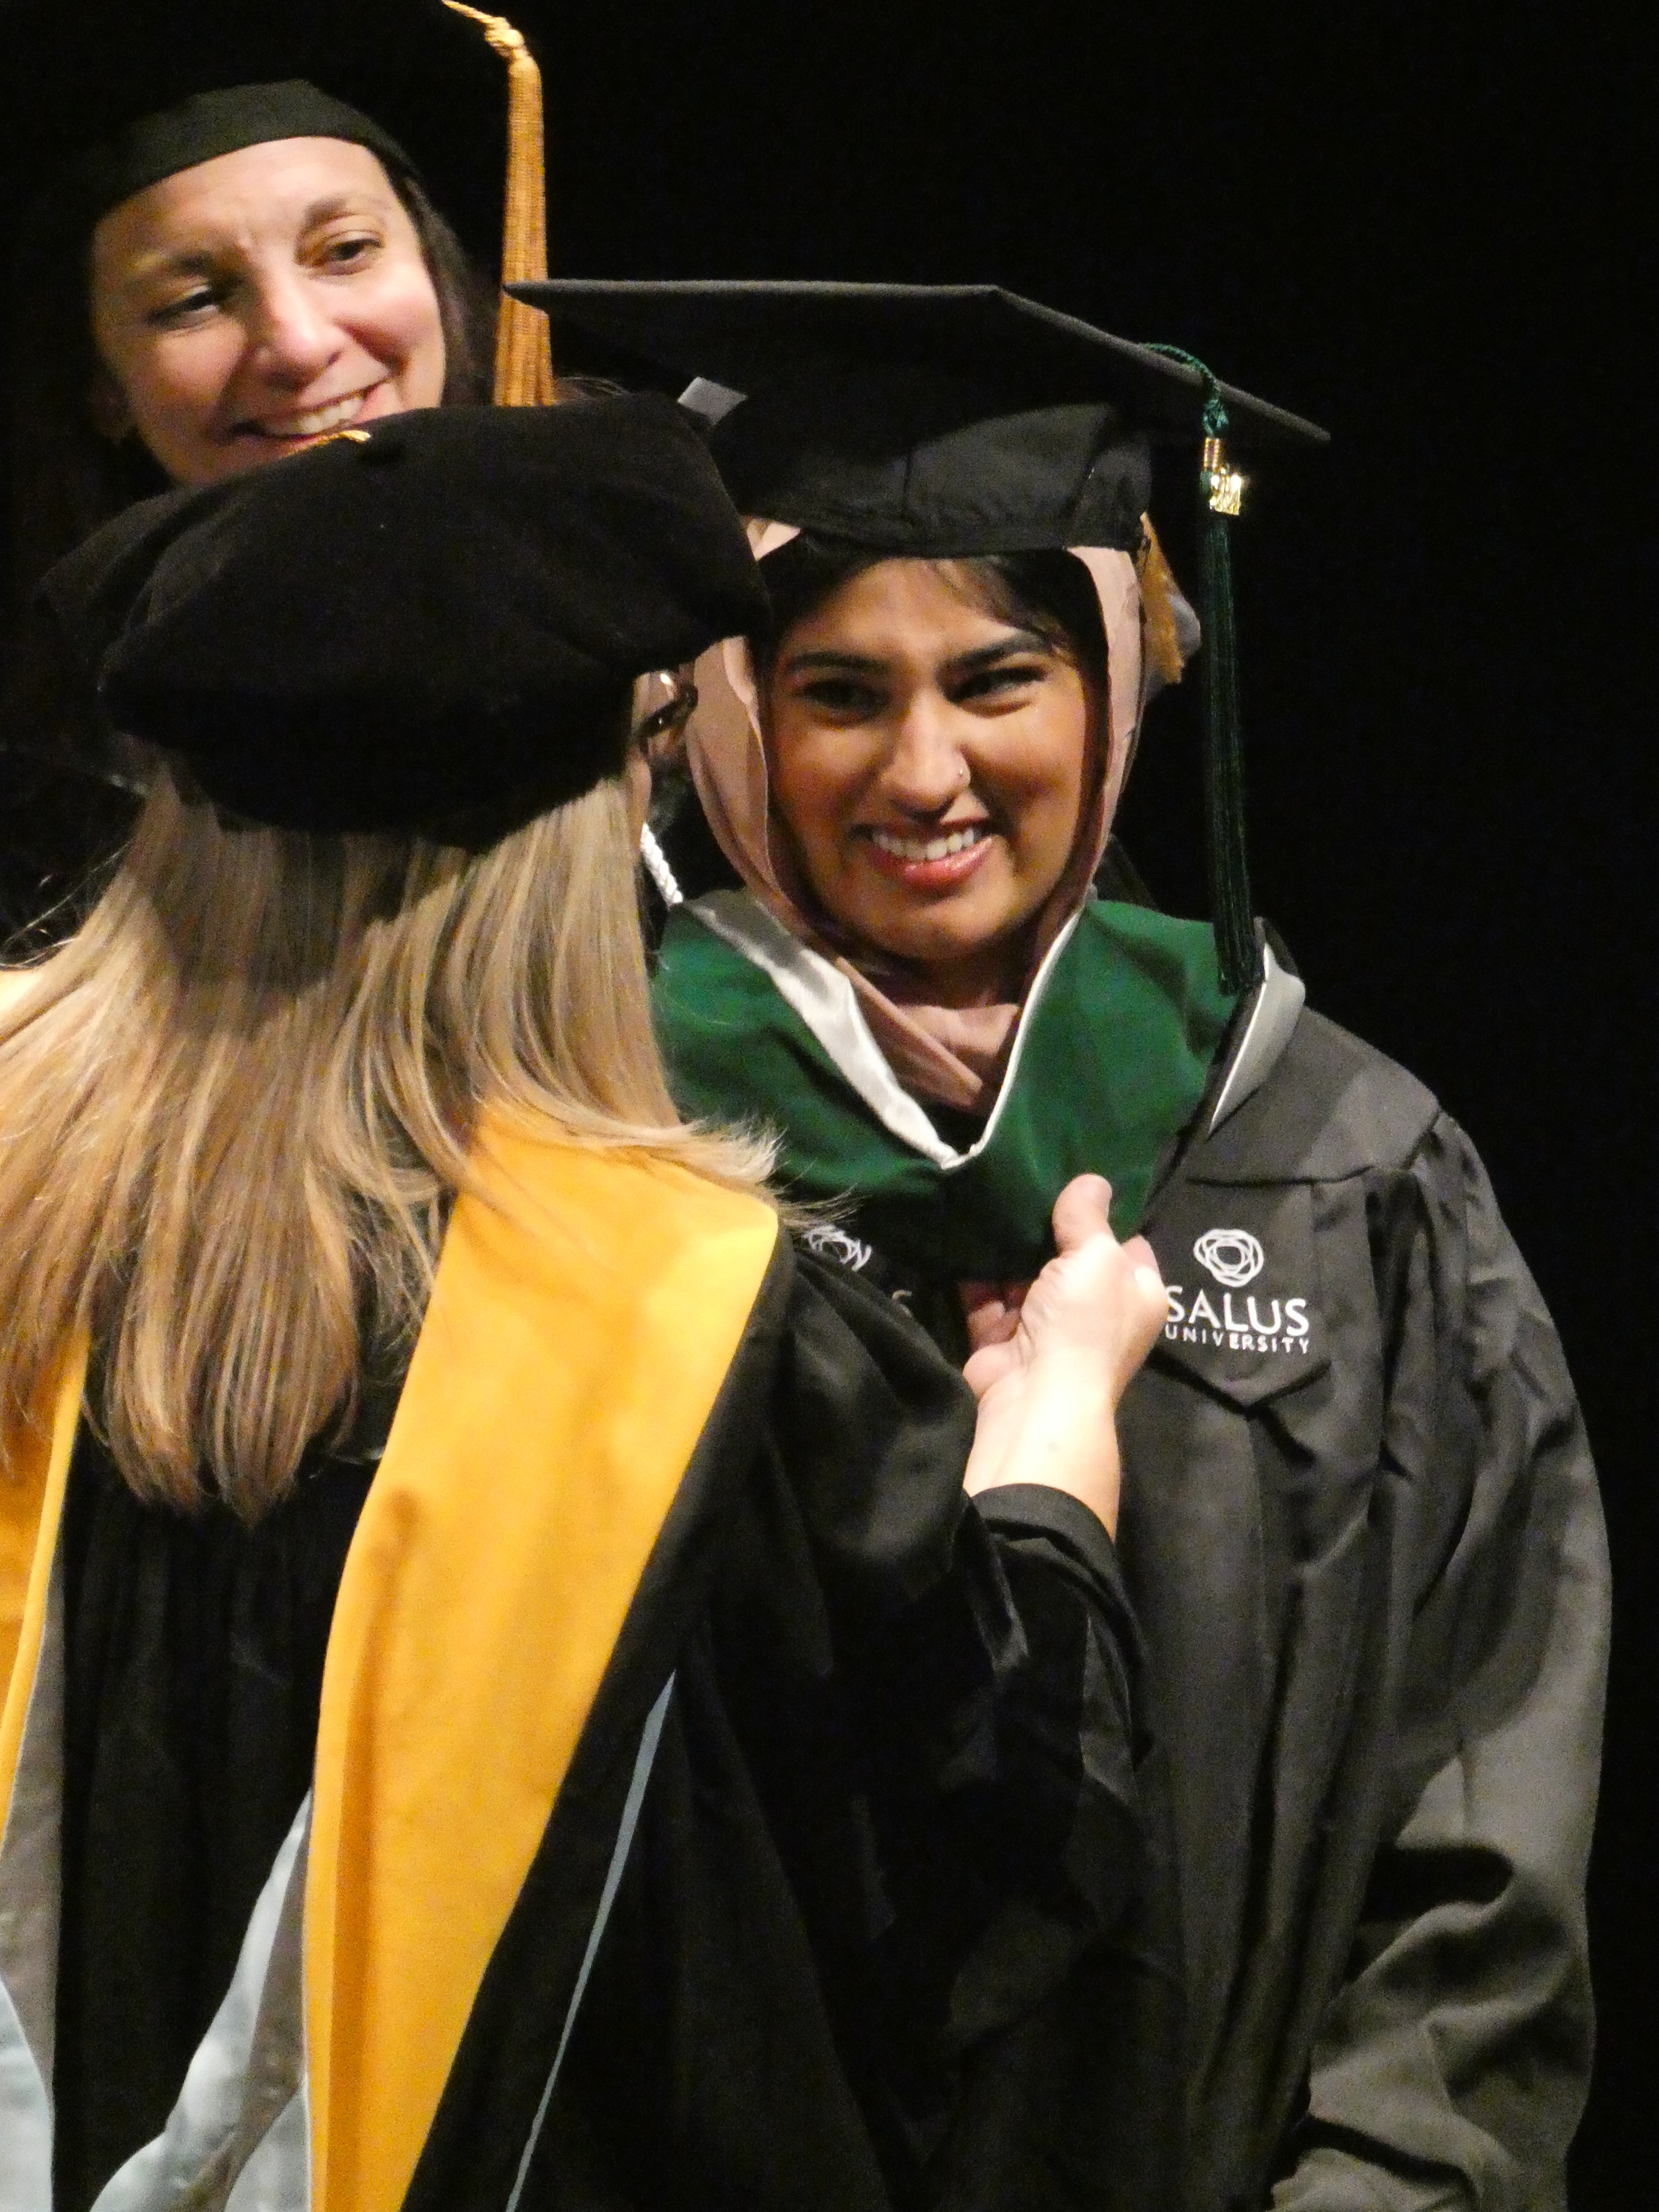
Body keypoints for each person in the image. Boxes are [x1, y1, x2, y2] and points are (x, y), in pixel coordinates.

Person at [0, 395, 1183, 2209]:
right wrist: (1048, 1461)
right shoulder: (691, 1327)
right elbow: (984, 1865)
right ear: (573, 832)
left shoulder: (27, 1237)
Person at [518, 278, 1612, 2212]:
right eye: (837, 690)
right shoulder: (613, 1159)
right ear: (730, 721)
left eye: (995, 680)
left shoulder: (1332, 1160)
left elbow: (1481, 1793)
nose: (920, 773)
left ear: (1115, 690)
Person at [0, 0, 538, 942]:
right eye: (195, 301)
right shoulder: (44, 795)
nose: (297, 344)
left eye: (346, 252)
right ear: (102, 389)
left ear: (438, 276)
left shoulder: (654, 658)